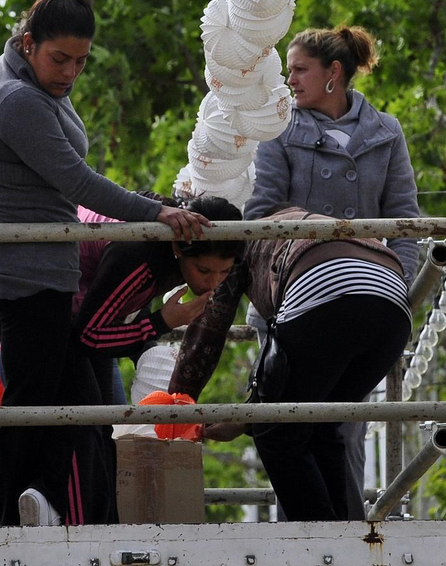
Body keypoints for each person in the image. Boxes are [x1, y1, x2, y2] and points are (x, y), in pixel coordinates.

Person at [0, 0, 210, 527]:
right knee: (33, 407)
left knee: (73, 408)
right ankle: (20, 518)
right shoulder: (17, 99)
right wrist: (161, 214)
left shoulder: (27, 79)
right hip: (25, 272)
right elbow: (77, 181)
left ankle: (44, 507)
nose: (70, 71)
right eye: (60, 59)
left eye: (80, 61)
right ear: (28, 43)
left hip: (36, 269)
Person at [242, 25, 422, 508]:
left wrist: (394, 285)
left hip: (363, 299)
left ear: (333, 74)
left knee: (343, 432)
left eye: (299, 69)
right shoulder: (278, 128)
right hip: (293, 304)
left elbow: (405, 221)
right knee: (291, 429)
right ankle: (304, 546)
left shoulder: (386, 132)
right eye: (288, 71)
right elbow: (260, 214)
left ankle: (347, 544)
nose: (290, 81)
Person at [170, 207, 412, 521]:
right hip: (393, 301)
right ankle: (345, 539)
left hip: (326, 285)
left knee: (275, 429)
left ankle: (318, 542)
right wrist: (247, 417)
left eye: (214, 272)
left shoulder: (238, 242)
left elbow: (208, 333)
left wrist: (175, 408)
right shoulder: (295, 224)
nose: (213, 280)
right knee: (322, 424)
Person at [71, 195, 244, 399]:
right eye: (203, 270)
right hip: (62, 314)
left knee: (103, 420)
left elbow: (129, 300)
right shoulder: (140, 255)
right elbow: (86, 338)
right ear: (179, 248)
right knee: (90, 424)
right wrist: (161, 322)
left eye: (224, 272)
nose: (214, 283)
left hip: (92, 314)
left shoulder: (169, 250)